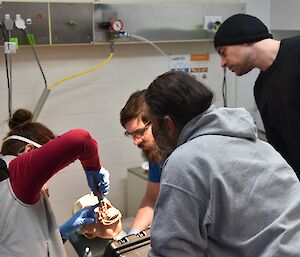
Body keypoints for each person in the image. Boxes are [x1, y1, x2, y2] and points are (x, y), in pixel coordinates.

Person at [144, 71, 300, 257]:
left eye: (151, 123)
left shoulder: (186, 161)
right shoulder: (263, 148)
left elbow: (172, 251)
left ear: (168, 124)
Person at [0, 108, 110, 257]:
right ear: (28, 150)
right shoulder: (17, 173)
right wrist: (94, 168)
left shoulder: (5, 178)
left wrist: (62, 233)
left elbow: (21, 239)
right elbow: (80, 139)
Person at [213, 13, 300, 180]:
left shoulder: (297, 51)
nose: (222, 63)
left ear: (244, 39)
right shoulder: (261, 89)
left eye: (223, 52)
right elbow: (280, 148)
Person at [120, 90, 163, 235]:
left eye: (140, 132)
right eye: (131, 134)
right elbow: (151, 199)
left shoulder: (184, 154)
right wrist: (134, 234)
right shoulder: (156, 154)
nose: (135, 141)